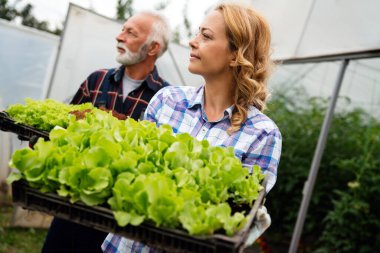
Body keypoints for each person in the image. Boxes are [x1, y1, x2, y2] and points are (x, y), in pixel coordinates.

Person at [101, 2, 282, 252]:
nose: (192, 41)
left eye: (206, 36)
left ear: (235, 54)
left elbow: (238, 221)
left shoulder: (262, 134)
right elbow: (129, 176)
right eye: (198, 33)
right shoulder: (167, 100)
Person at [41, 11, 171, 253]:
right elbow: (63, 131)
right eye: (123, 29)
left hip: (118, 221)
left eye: (130, 32)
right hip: (74, 203)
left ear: (153, 47)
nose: (119, 37)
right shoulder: (97, 80)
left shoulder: (166, 98)